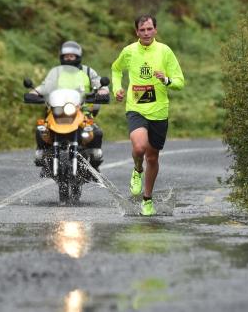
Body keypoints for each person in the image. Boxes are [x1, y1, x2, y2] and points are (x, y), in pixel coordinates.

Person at [111, 15, 185, 216]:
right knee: (139, 146)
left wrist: (166, 79)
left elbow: (180, 81)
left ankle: (147, 198)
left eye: (149, 29)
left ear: (155, 30)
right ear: (136, 32)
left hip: (159, 111)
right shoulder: (128, 51)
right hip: (136, 108)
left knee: (152, 158)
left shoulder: (164, 51)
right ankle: (137, 169)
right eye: (142, 30)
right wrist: (117, 88)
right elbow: (116, 69)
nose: (146, 33)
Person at [30, 41, 109, 171]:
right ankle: (42, 152)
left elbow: (100, 83)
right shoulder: (56, 73)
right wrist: (35, 92)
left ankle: (94, 156)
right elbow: (45, 86)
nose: (69, 58)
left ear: (78, 56)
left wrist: (102, 91)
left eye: (72, 56)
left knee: (95, 131)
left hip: (82, 109)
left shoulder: (88, 71)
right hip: (57, 110)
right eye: (66, 56)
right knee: (42, 128)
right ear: (62, 57)